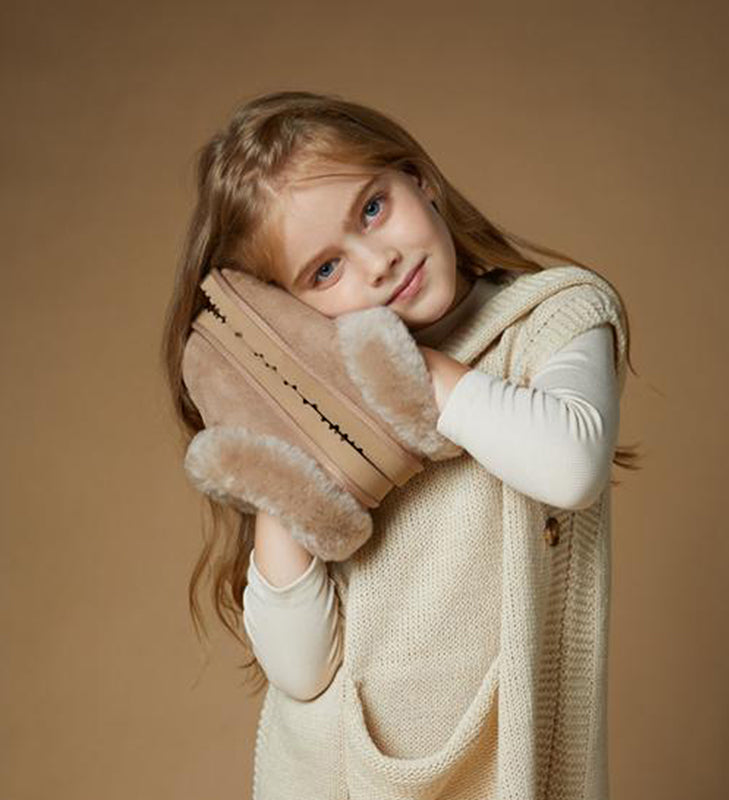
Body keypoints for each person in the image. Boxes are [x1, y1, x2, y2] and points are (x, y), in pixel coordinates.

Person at [161, 90, 641, 800]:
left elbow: (569, 469)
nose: (377, 263)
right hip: (338, 777)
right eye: (325, 271)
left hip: (505, 770)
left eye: (372, 209)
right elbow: (301, 672)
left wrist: (414, 372)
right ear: (292, 311)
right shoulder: (333, 426)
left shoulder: (553, 317)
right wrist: (283, 443)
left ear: (419, 180)